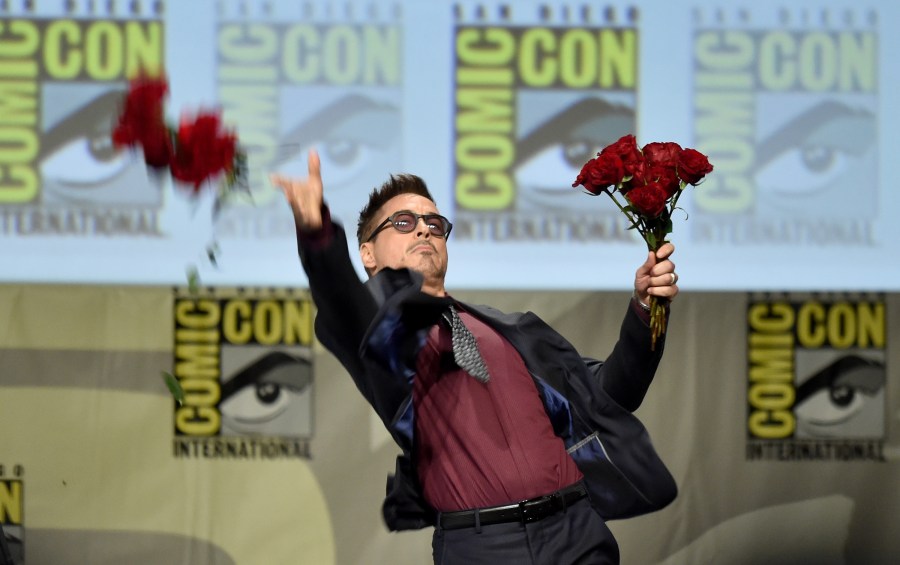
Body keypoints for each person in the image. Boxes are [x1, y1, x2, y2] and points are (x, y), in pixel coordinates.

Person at [271, 150, 679, 565]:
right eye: (404, 222)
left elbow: (613, 394)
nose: (424, 230)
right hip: (483, 547)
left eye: (435, 224)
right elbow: (342, 300)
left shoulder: (512, 330)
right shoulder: (380, 337)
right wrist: (318, 235)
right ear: (368, 254)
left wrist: (645, 309)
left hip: (577, 535)